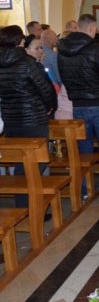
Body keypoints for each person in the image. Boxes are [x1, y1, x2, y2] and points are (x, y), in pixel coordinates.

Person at [58, 14, 99, 201]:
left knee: (83, 149)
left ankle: (85, 190)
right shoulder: (96, 49)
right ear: (93, 28)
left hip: (77, 105)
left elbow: (64, 76)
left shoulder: (62, 50)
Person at [0, 25, 57, 207]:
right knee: (37, 162)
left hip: (10, 121)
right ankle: (35, 204)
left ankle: (24, 204)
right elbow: (45, 88)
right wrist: (50, 107)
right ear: (20, 41)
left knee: (20, 162)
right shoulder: (27, 63)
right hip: (33, 119)